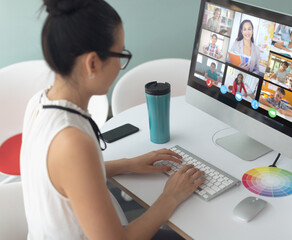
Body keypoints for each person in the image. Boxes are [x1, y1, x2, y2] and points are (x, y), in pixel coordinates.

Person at [20, 0, 205, 239]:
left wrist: (128, 163)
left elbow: (68, 177)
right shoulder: (72, 141)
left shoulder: (38, 103)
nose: (120, 66)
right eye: (120, 55)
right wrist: (170, 197)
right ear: (93, 63)